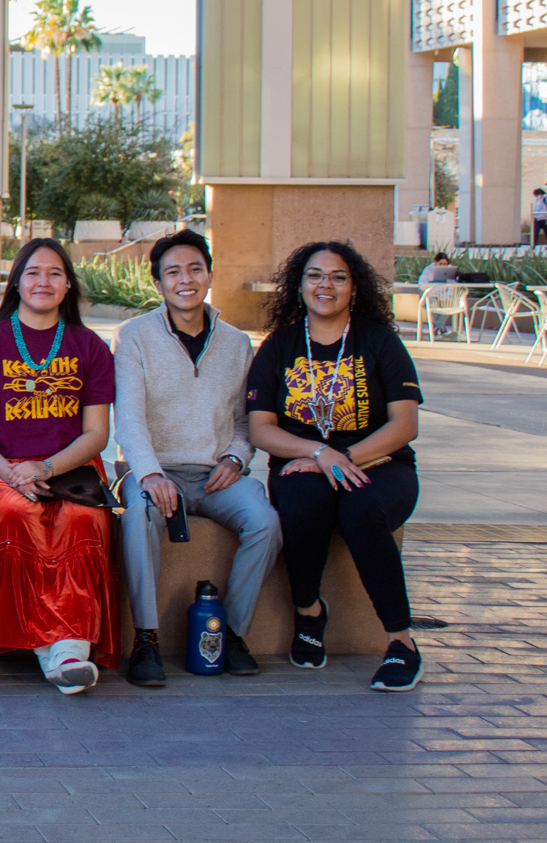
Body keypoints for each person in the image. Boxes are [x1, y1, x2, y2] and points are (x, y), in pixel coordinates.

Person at [246, 241, 425, 691]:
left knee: (361, 509)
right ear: (298, 284)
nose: (325, 285)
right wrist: (317, 454)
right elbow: (261, 429)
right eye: (314, 275)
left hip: (380, 464)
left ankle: (401, 642)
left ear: (354, 287)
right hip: (303, 467)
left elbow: (404, 424)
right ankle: (309, 611)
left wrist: (343, 459)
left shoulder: (380, 342)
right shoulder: (279, 345)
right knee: (303, 505)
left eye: (338, 276)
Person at [113, 228, 279, 687]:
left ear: (209, 274)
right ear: (158, 283)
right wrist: (149, 474)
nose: (185, 279)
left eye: (194, 269)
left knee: (264, 521)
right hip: (152, 470)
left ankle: (230, 635)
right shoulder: (133, 337)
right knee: (139, 516)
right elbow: (128, 420)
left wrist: (235, 458)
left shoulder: (237, 343)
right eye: (173, 272)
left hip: (214, 475)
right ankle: (146, 640)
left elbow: (246, 422)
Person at [0, 237, 119, 694]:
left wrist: (45, 468)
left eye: (54, 273)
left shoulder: (91, 347)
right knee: (15, 513)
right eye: (32, 272)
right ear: (16, 282)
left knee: (83, 520)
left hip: (72, 470)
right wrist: (14, 475)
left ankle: (70, 645)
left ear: (68, 286)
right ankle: (56, 652)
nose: (43, 281)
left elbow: (96, 435)